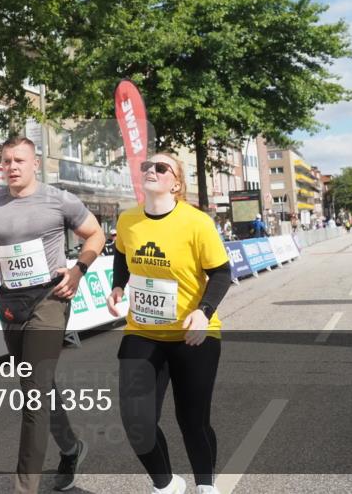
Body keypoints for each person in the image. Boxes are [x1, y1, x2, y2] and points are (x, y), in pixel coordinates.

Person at [0, 137, 104, 493]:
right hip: (11, 304)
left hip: (49, 299)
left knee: (33, 397)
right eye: (7, 161)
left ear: (35, 164)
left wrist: (78, 270)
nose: (12, 167)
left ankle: (25, 488)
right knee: (38, 385)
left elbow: (95, 234)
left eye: (19, 160)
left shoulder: (58, 199)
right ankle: (71, 448)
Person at [105, 152, 232, 494]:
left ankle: (205, 485)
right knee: (136, 419)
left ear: (176, 183)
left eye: (161, 168)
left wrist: (204, 311)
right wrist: (118, 285)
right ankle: (166, 484)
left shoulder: (196, 222)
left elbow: (221, 273)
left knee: (192, 420)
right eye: (147, 166)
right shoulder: (128, 220)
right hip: (143, 331)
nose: (151, 170)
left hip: (193, 332)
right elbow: (122, 255)